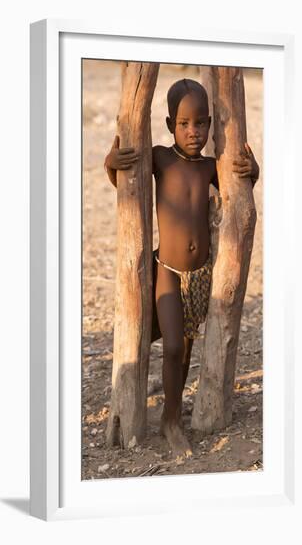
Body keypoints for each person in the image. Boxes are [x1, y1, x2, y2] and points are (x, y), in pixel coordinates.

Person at [104, 77, 259, 457]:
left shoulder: (211, 166)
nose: (194, 132)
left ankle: (172, 413)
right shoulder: (160, 157)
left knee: (186, 350)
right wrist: (111, 162)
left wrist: (252, 169)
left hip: (202, 275)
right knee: (172, 344)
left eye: (202, 123)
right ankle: (171, 423)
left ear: (210, 123)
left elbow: (243, 186)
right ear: (171, 123)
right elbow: (124, 178)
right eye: (185, 124)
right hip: (169, 269)